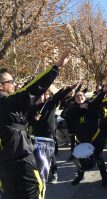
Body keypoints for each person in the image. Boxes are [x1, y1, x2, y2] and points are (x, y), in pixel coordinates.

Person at [0, 51, 71, 199]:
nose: (14, 84)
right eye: (10, 82)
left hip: (4, 167)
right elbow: (32, 89)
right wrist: (56, 67)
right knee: (37, 192)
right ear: (1, 86)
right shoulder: (7, 103)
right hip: (21, 161)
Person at [28, 86, 75, 183]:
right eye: (42, 94)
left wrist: (69, 89)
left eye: (46, 94)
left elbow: (59, 96)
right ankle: (41, 172)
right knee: (38, 154)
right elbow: (28, 120)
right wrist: (34, 119)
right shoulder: (33, 107)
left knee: (50, 154)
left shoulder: (50, 104)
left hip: (49, 134)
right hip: (37, 133)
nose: (44, 96)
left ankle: (54, 173)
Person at [68, 89, 107, 187]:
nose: (79, 97)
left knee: (99, 158)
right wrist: (80, 107)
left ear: (85, 97)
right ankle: (80, 176)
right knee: (79, 159)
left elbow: (98, 100)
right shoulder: (73, 109)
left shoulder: (91, 106)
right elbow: (68, 114)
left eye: (81, 95)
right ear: (75, 99)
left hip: (94, 138)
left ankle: (105, 178)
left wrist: (103, 92)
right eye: (77, 96)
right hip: (81, 140)